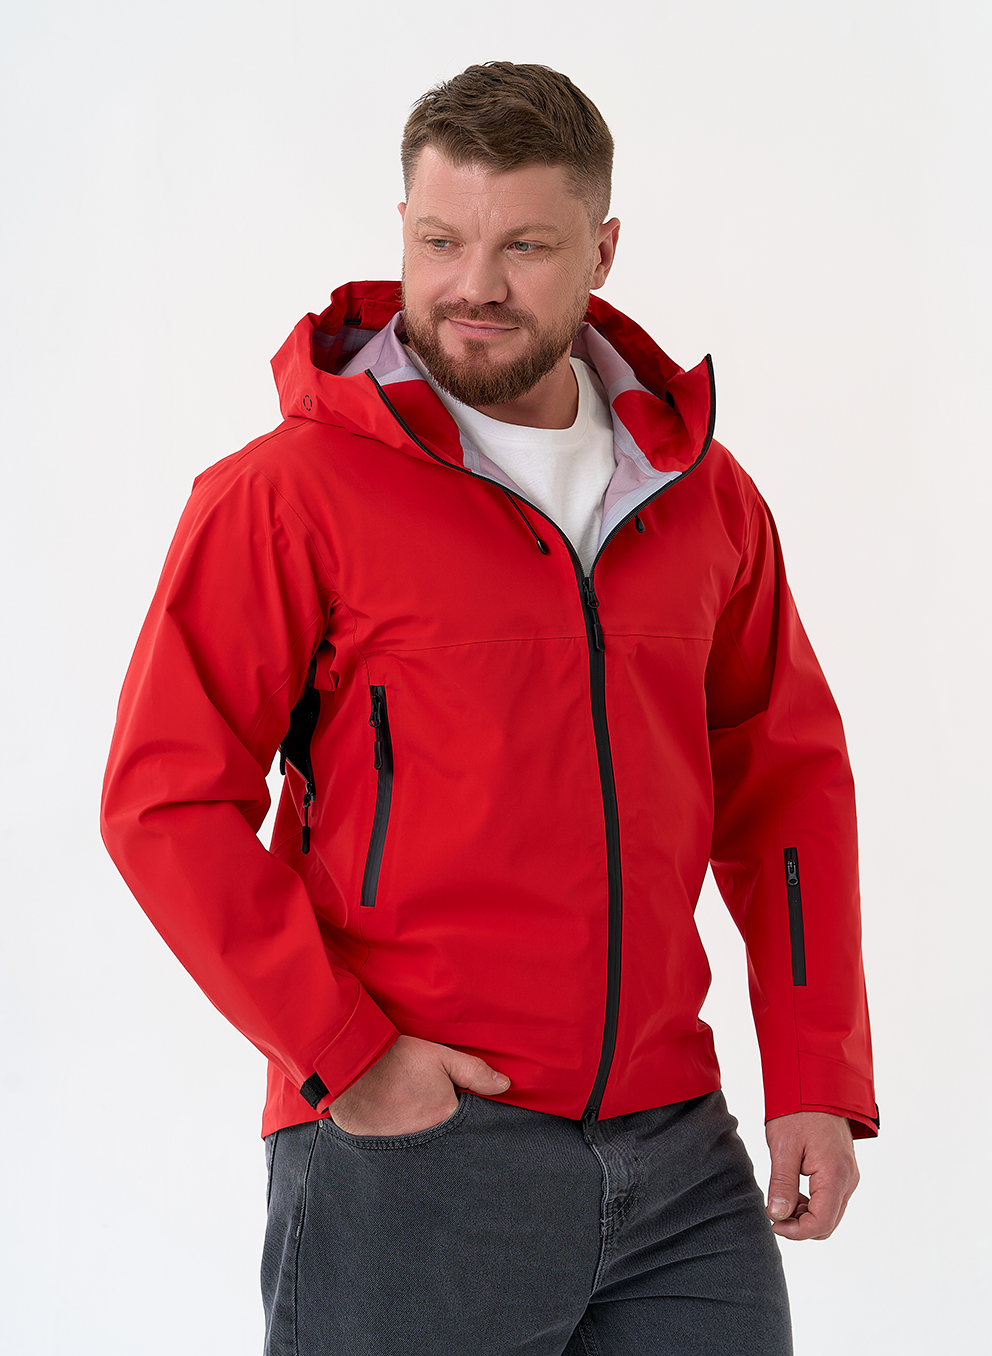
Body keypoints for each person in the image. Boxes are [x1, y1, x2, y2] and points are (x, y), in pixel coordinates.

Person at [101, 60, 877, 1356]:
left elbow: (786, 785)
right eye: (439, 240)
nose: (474, 285)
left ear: (602, 251)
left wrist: (815, 1070)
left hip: (678, 1153)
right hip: (417, 1146)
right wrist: (344, 1052)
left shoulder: (703, 498)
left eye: (525, 245)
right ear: (401, 230)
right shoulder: (289, 494)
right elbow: (164, 801)